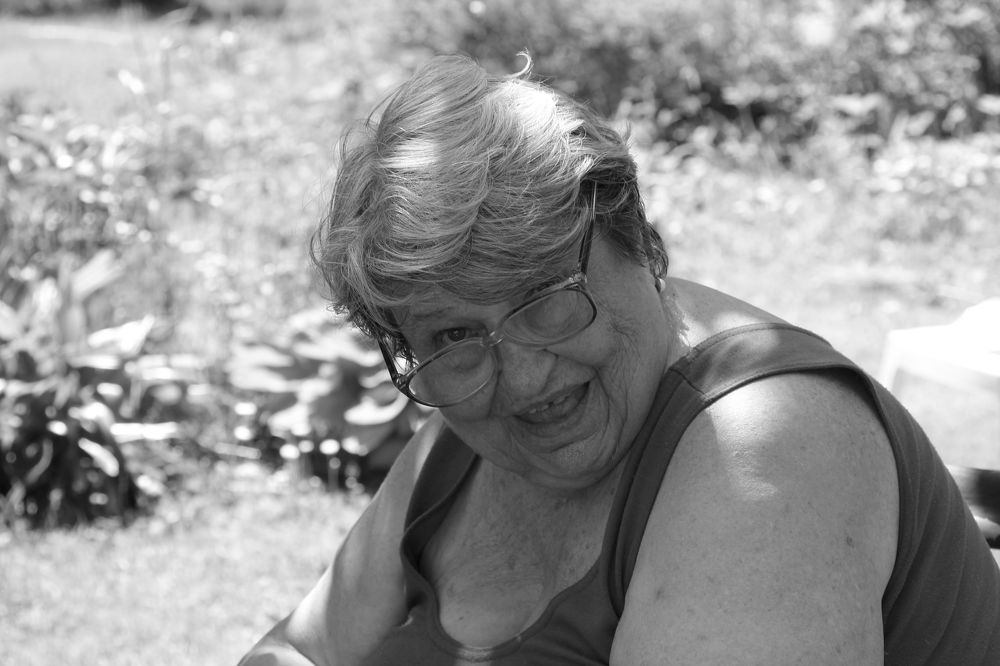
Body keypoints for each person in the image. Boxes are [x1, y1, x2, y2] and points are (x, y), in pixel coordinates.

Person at [239, 53, 1000, 665]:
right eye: (453, 334)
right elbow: (302, 648)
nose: (523, 377)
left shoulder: (771, 443)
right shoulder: (467, 424)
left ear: (638, 242)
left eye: (544, 297)